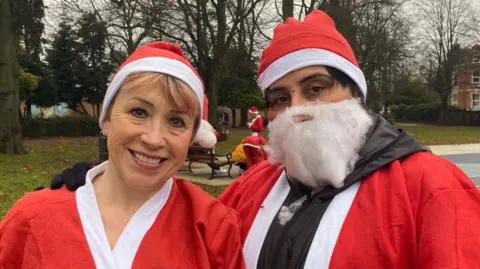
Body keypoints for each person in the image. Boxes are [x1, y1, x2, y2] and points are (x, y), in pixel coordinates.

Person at [44, 10, 480, 269]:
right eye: (279, 97)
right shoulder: (255, 187)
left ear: (356, 93)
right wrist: (104, 183)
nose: (296, 109)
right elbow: (181, 222)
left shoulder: (432, 188)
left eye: (315, 88)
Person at [0, 41, 245, 269]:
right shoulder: (32, 218)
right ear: (106, 119)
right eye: (139, 112)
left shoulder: (213, 227)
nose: (153, 138)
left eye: (176, 121)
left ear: (190, 137)